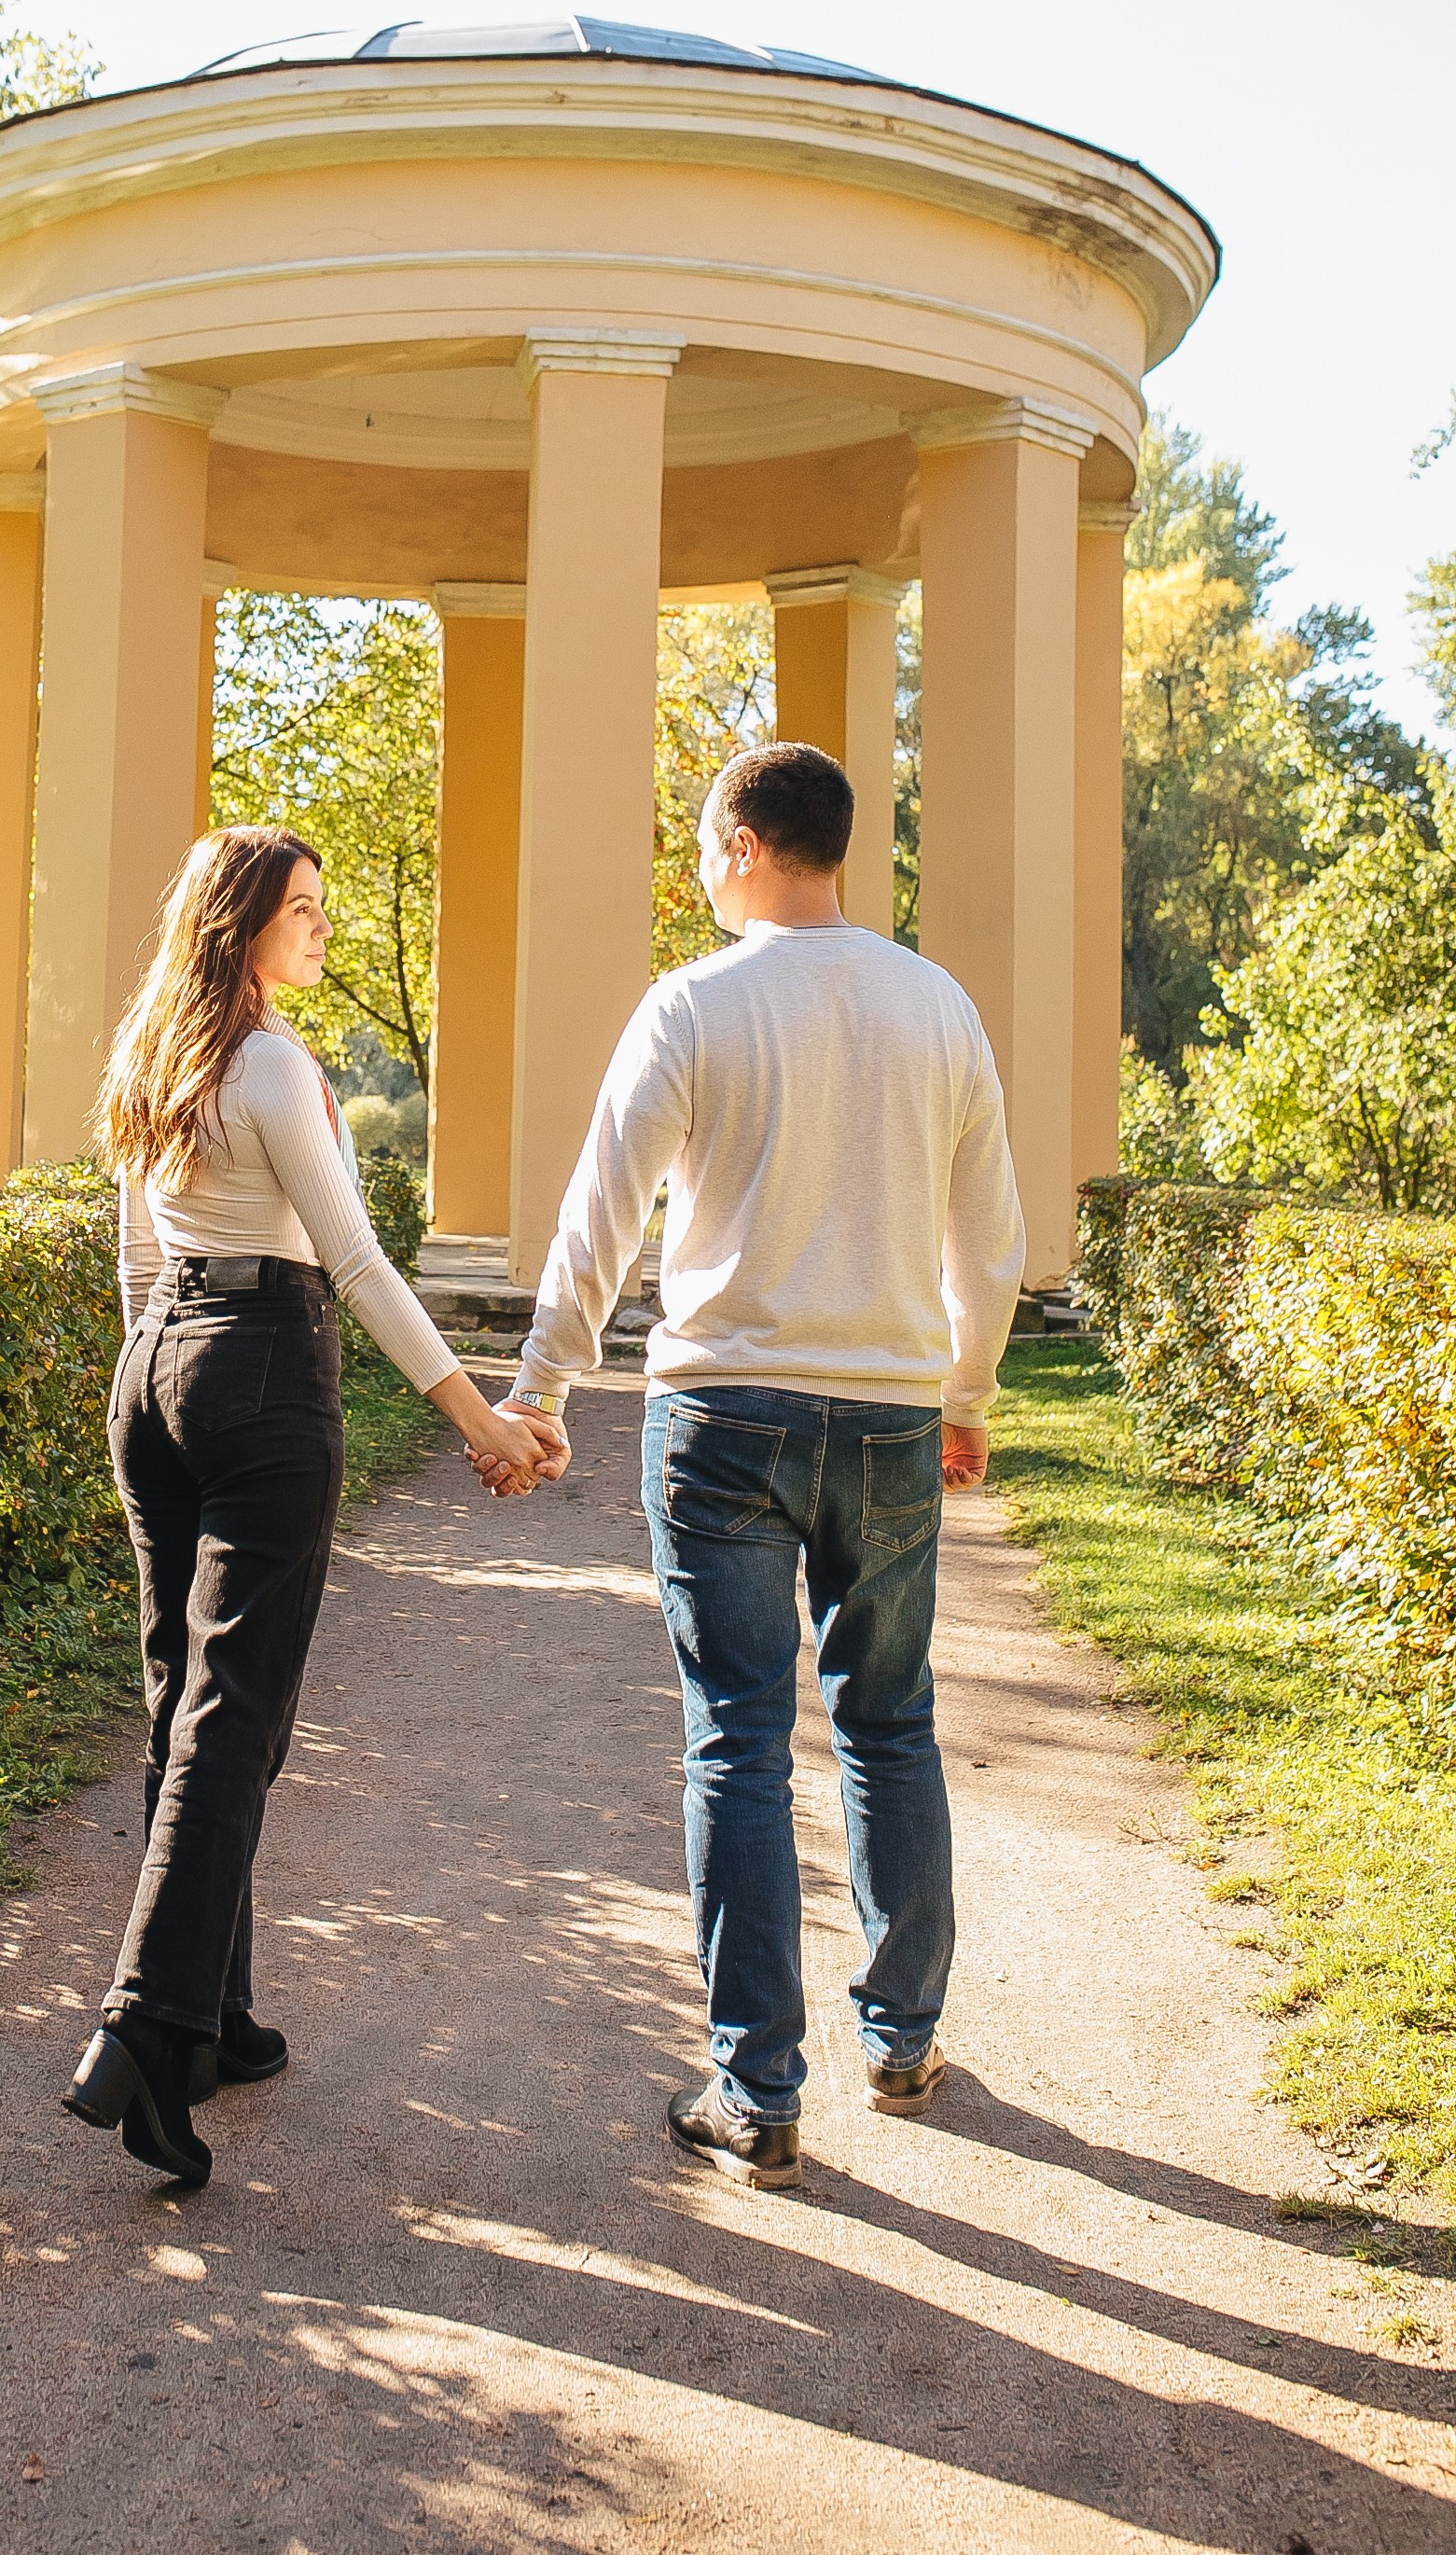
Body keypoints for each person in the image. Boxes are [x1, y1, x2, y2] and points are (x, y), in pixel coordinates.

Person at [494, 743, 1024, 2190]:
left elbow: (600, 1212)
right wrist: (965, 1390)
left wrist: (540, 1389)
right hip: (891, 1416)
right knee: (890, 1722)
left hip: (724, 1414)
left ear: (738, 842)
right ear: (839, 849)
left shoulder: (694, 1003)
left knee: (736, 1738)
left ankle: (758, 2091)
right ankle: (902, 2040)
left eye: (699, 842)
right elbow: (994, 1234)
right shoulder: (939, 1007)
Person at [62, 825, 562, 2187]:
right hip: (264, 1372)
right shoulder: (269, 1064)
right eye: (303, 910)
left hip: (156, 1369)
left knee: (186, 1702)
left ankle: (211, 2019)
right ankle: (147, 2033)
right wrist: (484, 1421)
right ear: (241, 928)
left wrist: (148, 1385)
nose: (322, 929)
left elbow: (134, 1256)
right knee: (236, 1715)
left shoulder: (155, 1057)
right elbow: (353, 1259)